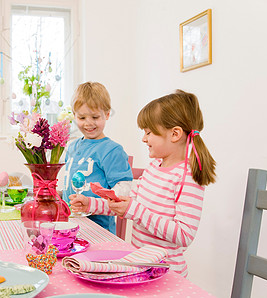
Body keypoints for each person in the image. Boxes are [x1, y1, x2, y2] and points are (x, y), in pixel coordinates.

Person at [69, 89, 216, 277]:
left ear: (175, 134)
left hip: (165, 273)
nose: (144, 138)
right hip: (140, 265)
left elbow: (184, 235)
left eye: (149, 132)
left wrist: (136, 211)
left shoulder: (187, 177)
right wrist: (92, 204)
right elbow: (128, 203)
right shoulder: (155, 166)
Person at [62, 82, 133, 234]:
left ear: (107, 114)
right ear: (74, 116)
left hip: (100, 231)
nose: (88, 123)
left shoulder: (112, 150)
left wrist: (93, 204)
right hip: (71, 226)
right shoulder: (72, 147)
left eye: (95, 117)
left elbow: (123, 191)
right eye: (82, 117)